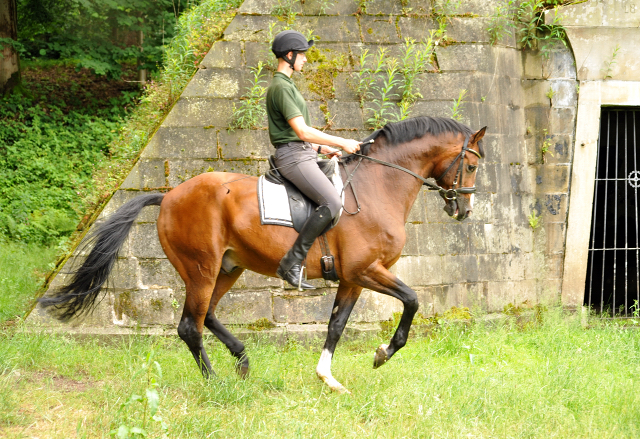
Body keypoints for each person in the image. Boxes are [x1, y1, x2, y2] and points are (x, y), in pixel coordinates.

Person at [267, 30, 361, 289]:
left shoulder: (287, 86)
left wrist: (321, 150)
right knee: (331, 201)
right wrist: (341, 142)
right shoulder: (280, 87)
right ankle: (292, 263)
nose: (306, 59)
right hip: (293, 157)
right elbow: (301, 132)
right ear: (289, 55)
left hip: (303, 152)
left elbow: (298, 136)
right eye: (302, 55)